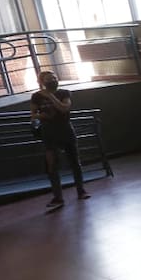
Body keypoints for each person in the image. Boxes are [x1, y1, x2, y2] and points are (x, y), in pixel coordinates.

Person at [30, 70, 90, 210]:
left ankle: (81, 190)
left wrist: (51, 96)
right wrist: (42, 116)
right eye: (48, 79)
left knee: (75, 161)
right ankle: (58, 197)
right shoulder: (36, 96)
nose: (52, 81)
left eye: (54, 78)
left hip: (65, 130)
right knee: (52, 165)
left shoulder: (64, 93)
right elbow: (33, 115)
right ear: (41, 82)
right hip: (49, 133)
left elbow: (64, 108)